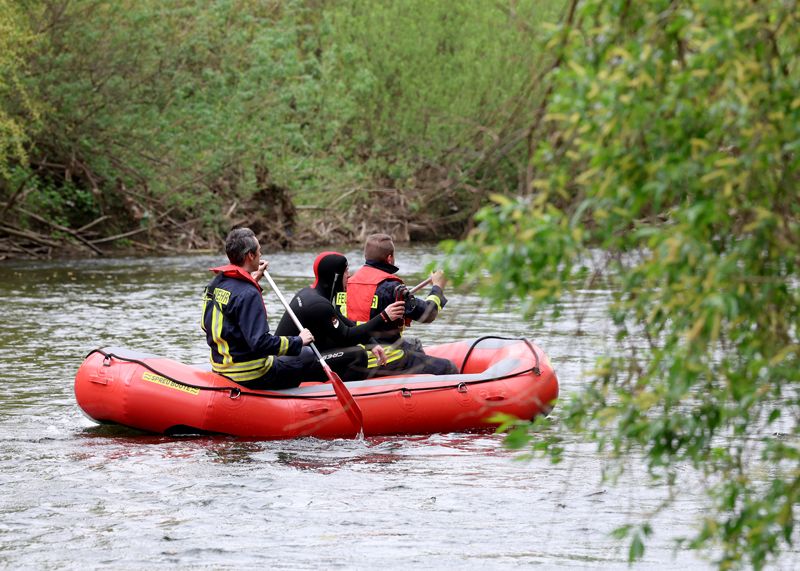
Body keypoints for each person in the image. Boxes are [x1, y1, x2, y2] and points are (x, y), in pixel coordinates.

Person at [201, 227, 321, 390]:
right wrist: (298, 341)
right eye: (259, 251)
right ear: (251, 255)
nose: (261, 255)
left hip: (222, 368)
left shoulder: (216, 283)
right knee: (306, 354)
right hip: (252, 375)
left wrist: (254, 277)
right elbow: (261, 343)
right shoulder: (248, 293)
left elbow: (207, 324)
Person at [274, 251, 407, 380]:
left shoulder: (311, 293)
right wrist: (384, 317)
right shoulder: (318, 304)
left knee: (340, 343)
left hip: (297, 357)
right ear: (336, 276)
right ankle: (343, 395)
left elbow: (346, 322)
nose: (348, 276)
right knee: (358, 355)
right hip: (288, 366)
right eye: (346, 271)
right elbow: (347, 336)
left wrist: (371, 343)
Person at [345, 233, 449, 348]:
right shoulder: (392, 288)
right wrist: (437, 287)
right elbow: (428, 314)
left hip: (353, 349)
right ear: (390, 258)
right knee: (443, 364)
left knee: (414, 342)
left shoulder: (346, 283)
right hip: (383, 353)